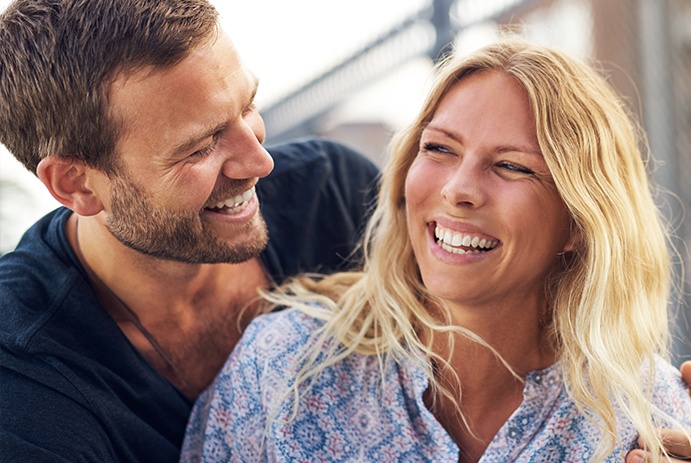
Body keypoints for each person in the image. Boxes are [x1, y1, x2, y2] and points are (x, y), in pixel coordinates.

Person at [181, 40, 691, 462]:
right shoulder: (284, 366)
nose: (457, 190)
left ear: (577, 223)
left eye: (512, 166)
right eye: (439, 148)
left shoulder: (649, 418)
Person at [0, 0, 379, 461]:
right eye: (199, 148)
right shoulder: (23, 374)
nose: (261, 163)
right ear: (76, 183)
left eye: (248, 105)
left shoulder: (338, 195)